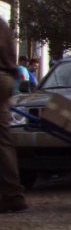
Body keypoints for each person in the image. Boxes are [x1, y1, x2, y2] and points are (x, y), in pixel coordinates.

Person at [0, 19, 28, 212]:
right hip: (6, 78)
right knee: (2, 139)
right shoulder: (1, 23)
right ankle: (12, 194)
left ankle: (11, 194)